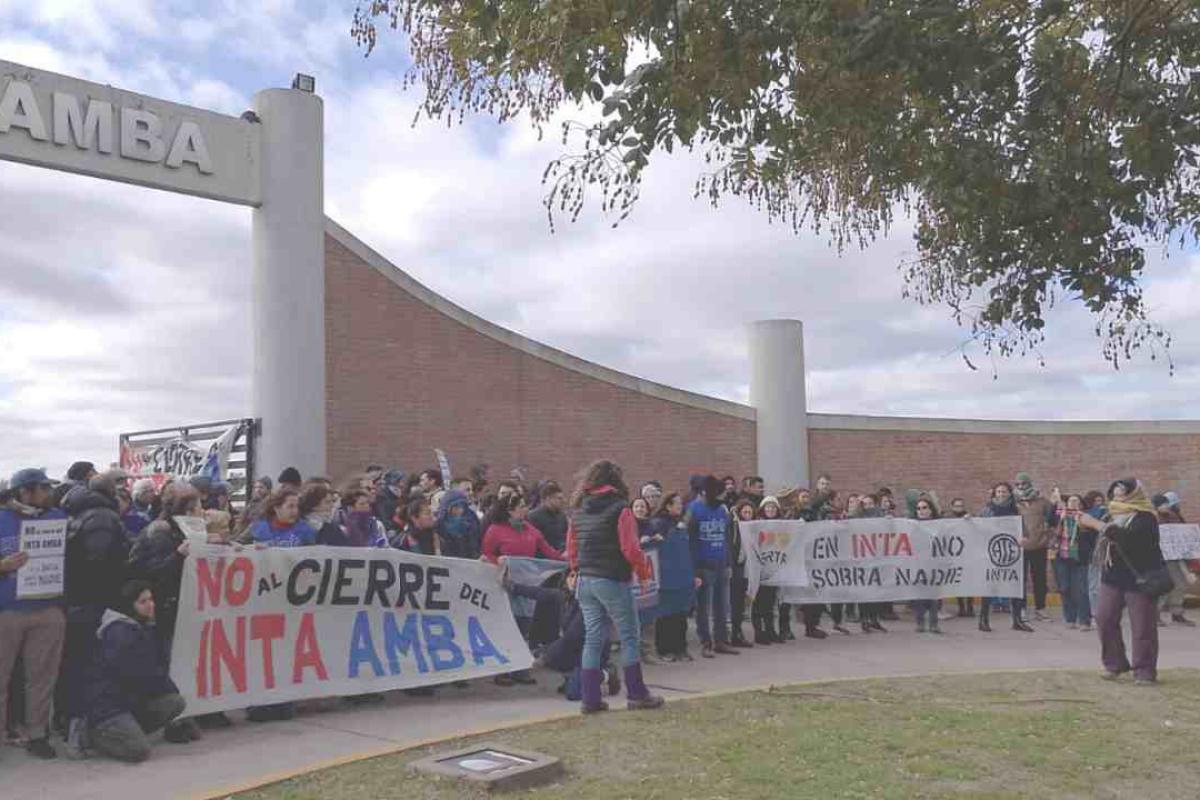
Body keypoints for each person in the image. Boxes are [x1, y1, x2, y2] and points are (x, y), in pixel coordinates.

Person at [567, 459, 663, 713]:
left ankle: (590, 699)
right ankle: (637, 693)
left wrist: (575, 571)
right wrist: (643, 573)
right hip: (611, 578)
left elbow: (572, 548)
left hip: (585, 579)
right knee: (630, 635)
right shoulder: (621, 509)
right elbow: (630, 548)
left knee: (593, 637)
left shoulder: (578, 509)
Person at [59, 475, 132, 752]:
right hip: (93, 602)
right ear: (111, 491)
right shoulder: (102, 517)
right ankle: (80, 730)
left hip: (78, 601)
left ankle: (69, 722)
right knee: (87, 664)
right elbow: (98, 564)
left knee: (74, 664)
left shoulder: (80, 513)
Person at [0, 468, 68, 759]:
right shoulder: (2, 518)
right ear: (24, 491)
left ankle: (37, 734)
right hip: (7, 610)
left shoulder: (57, 518)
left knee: (42, 677)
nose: (49, 492)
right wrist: (3, 566)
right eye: (42, 488)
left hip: (48, 607)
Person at [84, 580, 187, 762]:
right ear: (129, 605)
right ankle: (95, 736)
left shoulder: (140, 626)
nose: (150, 605)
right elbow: (142, 675)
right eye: (143, 602)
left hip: (128, 701)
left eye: (151, 599)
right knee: (139, 751)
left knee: (175, 702)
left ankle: (128, 730)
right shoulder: (120, 633)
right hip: (108, 707)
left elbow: (155, 670)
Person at [1077, 479, 1166, 684]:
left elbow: (1127, 539)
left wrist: (1095, 524)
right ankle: (1115, 664)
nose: (1117, 498)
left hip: (1140, 578)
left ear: (1133, 495)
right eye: (1114, 494)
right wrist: (1083, 525)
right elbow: (1099, 539)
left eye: (1122, 494)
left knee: (1142, 627)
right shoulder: (1111, 514)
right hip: (1113, 576)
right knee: (1104, 618)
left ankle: (1144, 671)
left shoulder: (1146, 517)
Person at [687, 475, 739, 658]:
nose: (723, 496)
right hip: (703, 566)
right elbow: (690, 542)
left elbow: (726, 538)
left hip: (721, 563)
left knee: (722, 605)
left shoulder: (722, 510)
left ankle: (721, 640)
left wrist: (728, 563)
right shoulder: (693, 510)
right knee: (703, 607)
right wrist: (694, 569)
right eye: (719, 493)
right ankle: (705, 642)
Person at [978, 482, 1033, 632]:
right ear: (994, 494)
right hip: (992, 553)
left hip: (1012, 554)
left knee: (1015, 586)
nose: (1001, 494)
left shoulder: (1015, 511)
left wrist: (1024, 539)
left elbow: (1025, 532)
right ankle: (983, 620)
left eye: (1004, 492)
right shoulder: (987, 510)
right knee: (989, 586)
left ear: (1010, 493)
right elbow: (977, 528)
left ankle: (1017, 620)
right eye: (998, 492)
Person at [649, 493, 695, 661]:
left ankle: (681, 648)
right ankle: (665, 650)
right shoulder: (658, 523)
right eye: (677, 503)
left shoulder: (681, 524)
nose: (680, 506)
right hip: (666, 578)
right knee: (665, 615)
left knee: (681, 615)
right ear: (667, 506)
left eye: (681, 503)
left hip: (682, 576)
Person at [1013, 472, 1058, 622]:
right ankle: (1022, 609)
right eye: (1018, 484)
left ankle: (1040, 609)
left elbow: (1053, 520)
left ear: (1029, 484)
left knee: (1040, 579)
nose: (1021, 487)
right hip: (1020, 547)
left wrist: (1047, 536)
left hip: (1039, 546)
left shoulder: (1042, 502)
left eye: (1024, 484)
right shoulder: (1013, 503)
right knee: (1020, 580)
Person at [1053, 494, 1096, 630]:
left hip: (1080, 558)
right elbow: (1050, 525)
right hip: (1062, 556)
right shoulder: (1060, 515)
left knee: (1082, 589)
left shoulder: (1086, 518)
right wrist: (1057, 511)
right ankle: (1070, 618)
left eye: (1076, 501)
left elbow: (1093, 538)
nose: (1073, 503)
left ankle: (1084, 620)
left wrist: (1083, 528)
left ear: (1081, 504)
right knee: (1065, 588)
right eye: (1070, 501)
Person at [1153, 492, 1196, 627]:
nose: (1167, 506)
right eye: (1163, 504)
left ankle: (1177, 613)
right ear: (1157, 506)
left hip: (1176, 555)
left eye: (1167, 503)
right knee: (1165, 585)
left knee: (1181, 584)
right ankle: (1155, 615)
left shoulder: (1174, 516)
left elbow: (1181, 534)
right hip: (1161, 557)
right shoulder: (1153, 518)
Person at [481, 495, 563, 563]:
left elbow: (549, 551)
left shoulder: (531, 530)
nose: (526, 509)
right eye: (522, 507)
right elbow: (486, 555)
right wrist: (497, 560)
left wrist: (567, 560)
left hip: (527, 577)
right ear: (510, 511)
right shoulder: (494, 530)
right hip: (503, 578)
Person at [910, 495, 943, 633]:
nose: (921, 511)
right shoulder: (911, 525)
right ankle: (920, 622)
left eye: (924, 508)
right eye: (918, 509)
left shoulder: (939, 524)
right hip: (918, 564)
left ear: (930, 510)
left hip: (934, 564)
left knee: (934, 595)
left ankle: (934, 623)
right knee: (919, 596)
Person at [728, 499, 755, 647]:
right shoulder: (734, 527)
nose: (747, 515)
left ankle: (737, 632)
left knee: (743, 603)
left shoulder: (754, 527)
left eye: (750, 512)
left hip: (749, 568)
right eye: (745, 512)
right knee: (736, 603)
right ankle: (735, 633)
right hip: (737, 568)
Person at [436, 488, 482, 559]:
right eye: (456, 507)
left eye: (462, 506)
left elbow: (475, 545)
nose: (460, 510)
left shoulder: (470, 522)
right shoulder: (438, 526)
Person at [528, 482, 569, 552]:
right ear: (548, 499)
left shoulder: (562, 516)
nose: (563, 501)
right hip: (542, 559)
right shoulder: (533, 517)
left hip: (560, 557)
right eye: (559, 498)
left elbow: (566, 537)